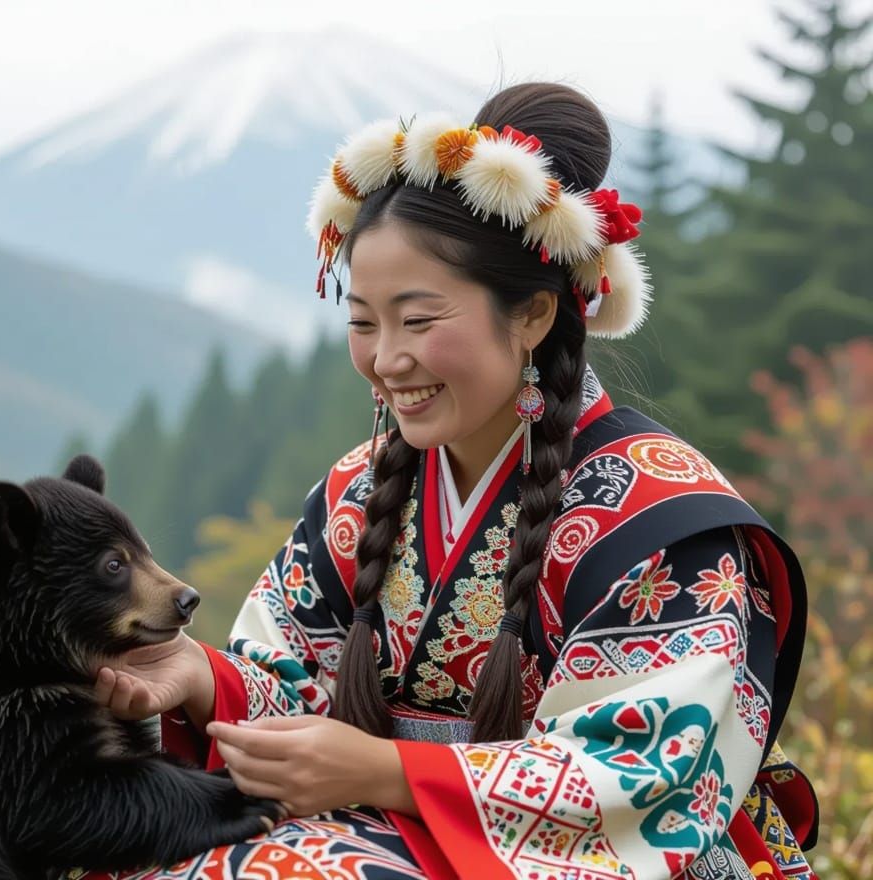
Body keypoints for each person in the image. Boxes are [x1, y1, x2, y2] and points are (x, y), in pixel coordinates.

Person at [78, 83, 818, 880]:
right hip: (397, 835)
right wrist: (203, 679)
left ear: (533, 315)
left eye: (420, 320)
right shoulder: (359, 494)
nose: (388, 358)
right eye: (363, 321)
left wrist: (386, 772)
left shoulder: (656, 514)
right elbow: (296, 684)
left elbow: (638, 773)